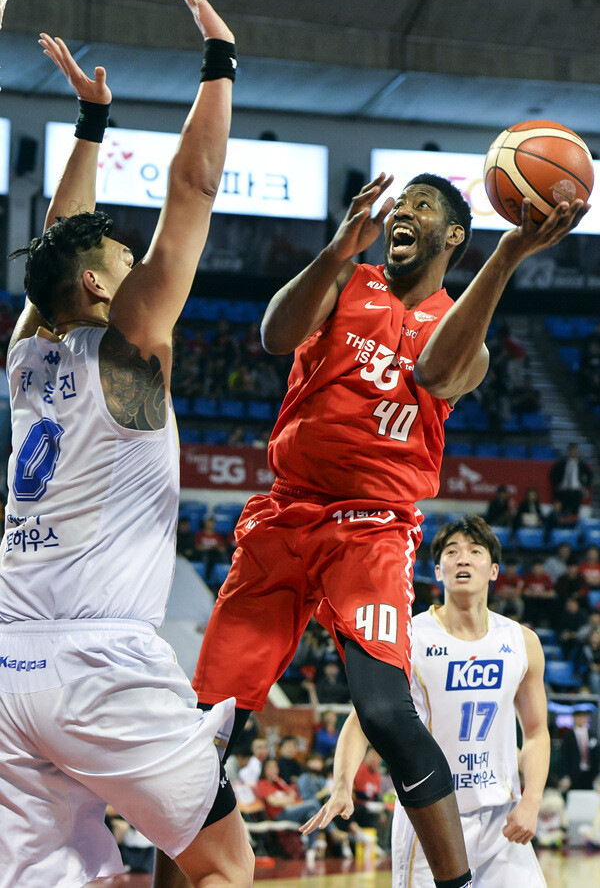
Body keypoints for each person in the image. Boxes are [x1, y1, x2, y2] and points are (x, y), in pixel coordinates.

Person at [165, 167, 587, 888]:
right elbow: (273, 333)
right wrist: (336, 248)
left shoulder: (467, 337)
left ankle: (455, 885)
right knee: (208, 722)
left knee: (386, 712)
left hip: (371, 528)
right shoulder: (346, 280)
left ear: (452, 236)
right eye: (401, 204)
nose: (402, 213)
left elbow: (438, 372)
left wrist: (509, 253)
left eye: (421, 205)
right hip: (285, 513)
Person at [0, 0, 254, 888]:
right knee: (223, 863)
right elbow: (195, 188)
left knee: (71, 876)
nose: (136, 258)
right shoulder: (130, 349)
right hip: (100, 664)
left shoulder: (27, 353)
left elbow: (57, 247)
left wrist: (92, 122)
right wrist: (219, 60)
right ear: (103, 292)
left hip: (10, 667)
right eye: (123, 258)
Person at [302, 515, 549, 887]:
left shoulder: (521, 641)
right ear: (437, 571)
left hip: (502, 820)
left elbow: (536, 733)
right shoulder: (408, 637)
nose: (463, 559)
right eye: (452, 552)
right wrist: (341, 785)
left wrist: (531, 802)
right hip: (430, 818)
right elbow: (361, 720)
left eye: (475, 551)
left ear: (494, 570)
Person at [560, 708, 600, 791]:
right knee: (575, 792)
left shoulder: (592, 734)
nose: (581, 719)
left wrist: (597, 772)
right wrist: (566, 774)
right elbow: (565, 756)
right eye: (578, 717)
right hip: (574, 772)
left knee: (589, 793)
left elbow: (596, 754)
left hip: (590, 772)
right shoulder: (568, 736)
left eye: (583, 717)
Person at [549, 443, 593, 518]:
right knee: (561, 512)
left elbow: (590, 475)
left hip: (576, 491)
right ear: (569, 451)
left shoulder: (581, 463)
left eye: (575, 450)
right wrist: (556, 485)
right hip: (563, 491)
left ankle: (573, 524)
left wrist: (585, 486)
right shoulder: (562, 463)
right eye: (572, 450)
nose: (574, 452)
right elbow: (552, 474)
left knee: (574, 513)